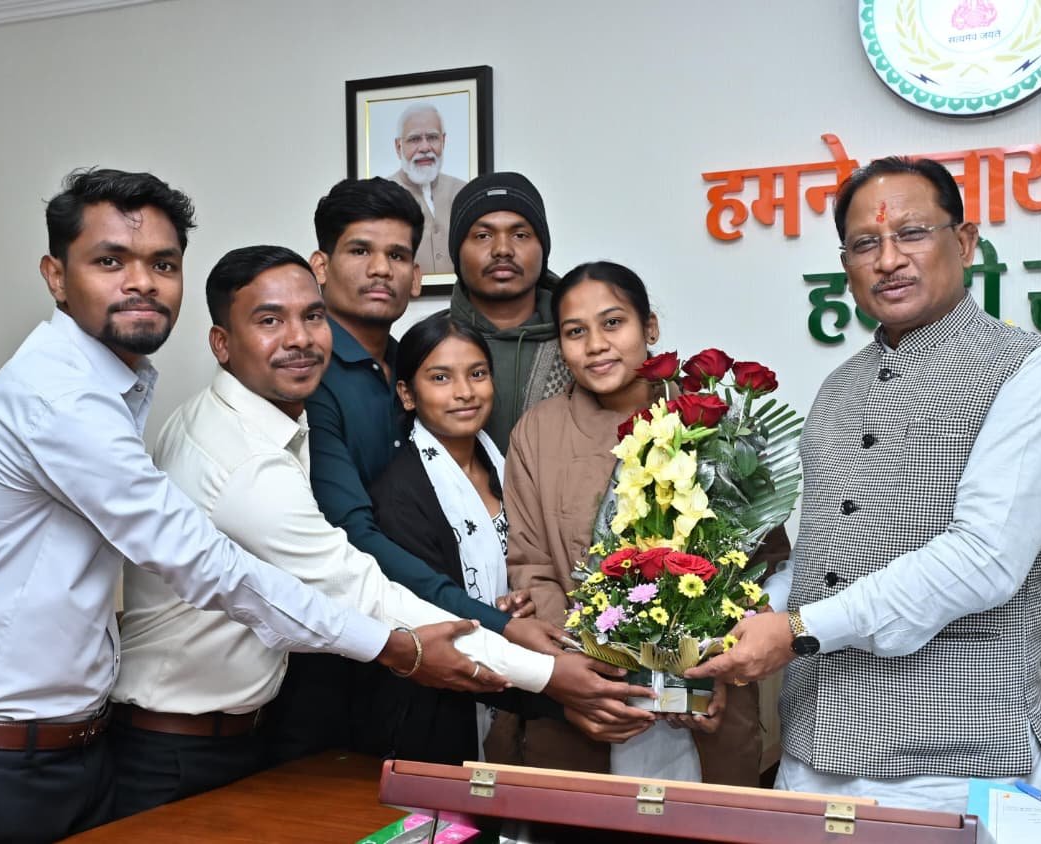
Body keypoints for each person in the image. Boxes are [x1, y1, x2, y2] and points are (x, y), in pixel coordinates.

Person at [0, 170, 464, 843]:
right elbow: (204, 564)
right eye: (110, 261)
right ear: (56, 276)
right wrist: (392, 646)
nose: (142, 282)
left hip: (74, 750)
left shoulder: (112, 387)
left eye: (162, 264)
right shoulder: (59, 399)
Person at [109, 246, 639, 815]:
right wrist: (549, 675)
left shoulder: (262, 419)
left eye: (312, 316)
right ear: (221, 343)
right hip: (178, 749)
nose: (299, 338)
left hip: (232, 731)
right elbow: (362, 591)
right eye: (269, 320)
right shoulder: (245, 461)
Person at [687, 157, 1041, 812]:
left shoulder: (1030, 371)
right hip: (811, 747)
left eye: (912, 233)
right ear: (845, 264)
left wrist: (795, 629)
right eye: (865, 243)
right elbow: (822, 559)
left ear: (964, 242)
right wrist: (735, 620)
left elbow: (984, 559)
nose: (889, 260)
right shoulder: (837, 387)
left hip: (951, 762)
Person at [268, 177, 643, 762]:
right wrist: (498, 624)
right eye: (360, 251)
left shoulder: (412, 362)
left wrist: (511, 609)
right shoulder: (310, 377)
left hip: (477, 651)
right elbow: (355, 536)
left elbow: (526, 547)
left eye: (397, 255)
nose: (381, 270)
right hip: (356, 654)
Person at [504, 261, 792, 784]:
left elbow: (763, 563)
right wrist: (584, 672)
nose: (596, 345)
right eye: (575, 332)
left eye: (613, 323)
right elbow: (532, 565)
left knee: (708, 818)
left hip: (708, 694)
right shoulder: (537, 433)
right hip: (590, 693)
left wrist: (715, 663)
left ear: (650, 327)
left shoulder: (715, 424)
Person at [364, 312, 570, 763]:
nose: (465, 392)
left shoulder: (509, 466)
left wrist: (522, 599)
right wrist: (499, 620)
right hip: (440, 705)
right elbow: (430, 608)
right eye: (441, 378)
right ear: (407, 394)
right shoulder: (399, 492)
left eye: (477, 374)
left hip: (521, 685)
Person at [448, 171, 572, 452]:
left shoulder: (581, 340)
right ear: (457, 252)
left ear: (542, 249)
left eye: (520, 235)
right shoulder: (432, 343)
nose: (502, 250)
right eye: (482, 235)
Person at [390, 102, 467, 275]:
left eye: (432, 137)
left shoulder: (463, 192)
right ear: (398, 146)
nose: (425, 148)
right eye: (414, 139)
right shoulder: (384, 196)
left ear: (443, 141)